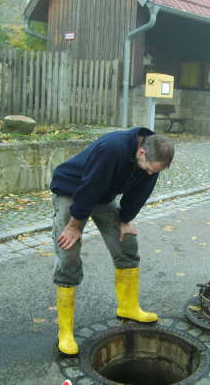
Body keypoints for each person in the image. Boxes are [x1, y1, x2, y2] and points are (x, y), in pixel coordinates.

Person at [50, 127, 174, 356]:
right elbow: (90, 186)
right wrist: (74, 225)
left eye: (155, 172)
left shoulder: (154, 159)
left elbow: (140, 192)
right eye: (149, 169)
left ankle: (127, 307)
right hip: (74, 190)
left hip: (102, 197)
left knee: (127, 243)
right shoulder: (113, 149)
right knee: (68, 253)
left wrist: (126, 219)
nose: (150, 174)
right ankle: (65, 332)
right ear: (141, 152)